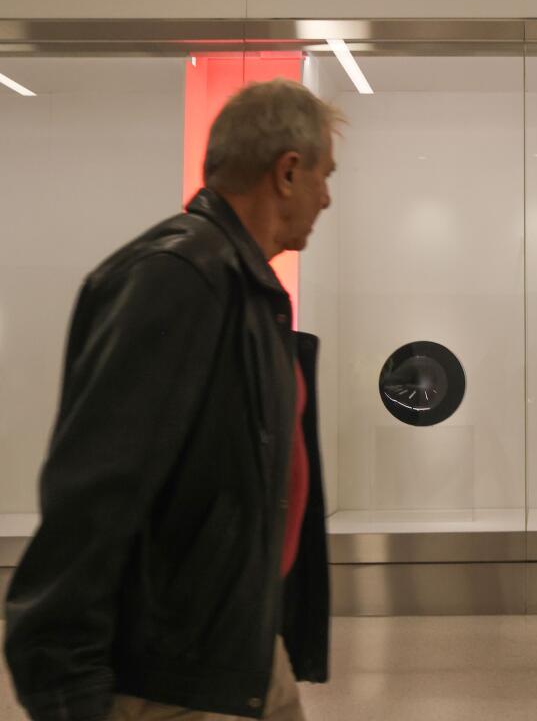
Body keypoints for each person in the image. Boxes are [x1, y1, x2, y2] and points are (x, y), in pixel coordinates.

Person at [4, 79, 340, 721]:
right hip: (171, 676)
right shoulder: (178, 278)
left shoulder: (248, 290)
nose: (327, 197)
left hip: (239, 648)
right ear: (288, 172)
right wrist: (68, 690)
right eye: (325, 175)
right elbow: (94, 494)